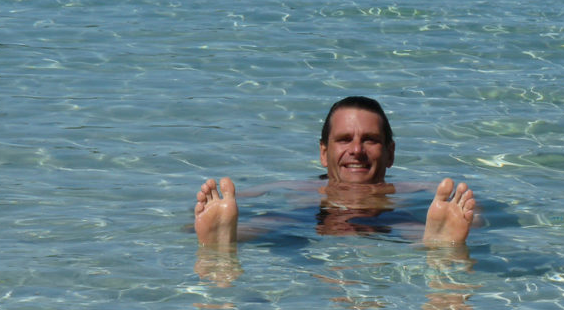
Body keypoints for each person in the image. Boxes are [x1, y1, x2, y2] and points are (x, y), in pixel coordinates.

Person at [193, 96, 476, 251]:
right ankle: (222, 242)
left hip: (388, 220)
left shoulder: (419, 192)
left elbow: (478, 218)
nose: (356, 150)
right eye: (344, 139)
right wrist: (208, 216)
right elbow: (230, 202)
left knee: (422, 230)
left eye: (370, 139)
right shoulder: (294, 189)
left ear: (390, 153)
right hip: (309, 219)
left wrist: (472, 221)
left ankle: (442, 246)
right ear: (323, 152)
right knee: (274, 220)